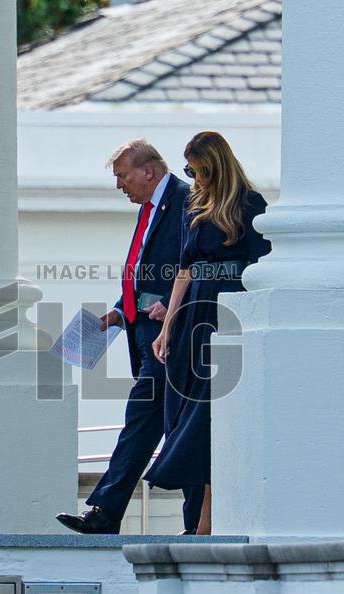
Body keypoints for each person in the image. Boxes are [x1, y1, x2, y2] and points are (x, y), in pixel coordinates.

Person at [56, 139, 205, 534]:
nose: (119, 185)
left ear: (148, 172)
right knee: (169, 427)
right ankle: (176, 523)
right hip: (143, 337)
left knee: (159, 425)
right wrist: (121, 311)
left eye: (122, 176)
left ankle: (108, 513)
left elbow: (191, 266)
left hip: (171, 338)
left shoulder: (186, 202)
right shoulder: (149, 209)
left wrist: (170, 310)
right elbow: (146, 271)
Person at [146, 131, 271, 534]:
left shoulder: (251, 205)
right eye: (189, 172)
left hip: (229, 309)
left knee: (210, 413)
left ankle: (206, 523)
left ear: (216, 166)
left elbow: (260, 267)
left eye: (199, 171)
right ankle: (197, 520)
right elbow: (184, 268)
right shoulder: (194, 204)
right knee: (183, 410)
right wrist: (167, 326)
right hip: (193, 316)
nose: (194, 179)